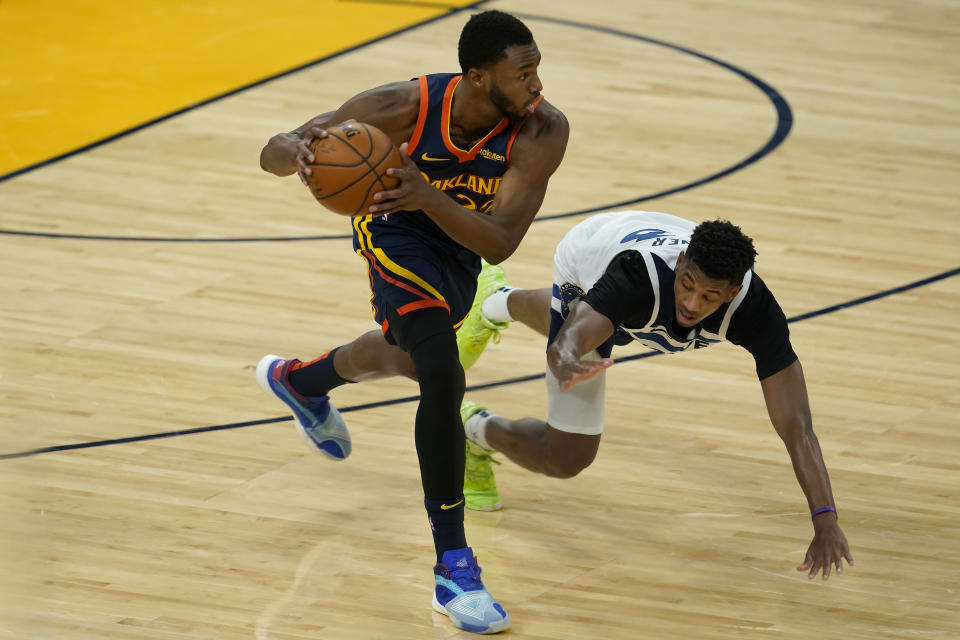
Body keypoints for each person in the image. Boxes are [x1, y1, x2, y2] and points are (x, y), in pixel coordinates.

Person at [255, 9, 568, 634]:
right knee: (441, 374)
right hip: (393, 227)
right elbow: (274, 151)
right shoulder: (400, 106)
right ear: (478, 78)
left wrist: (430, 194)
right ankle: (454, 566)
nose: (538, 85)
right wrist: (296, 150)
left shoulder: (542, 130)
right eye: (524, 72)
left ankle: (302, 382)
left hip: (461, 239)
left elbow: (501, 242)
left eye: (538, 69)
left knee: (406, 354)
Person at [457, 209, 855, 581]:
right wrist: (561, 357)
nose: (692, 303)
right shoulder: (634, 276)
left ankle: (493, 303)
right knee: (566, 457)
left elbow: (797, 427)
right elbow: (572, 337)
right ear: (681, 263)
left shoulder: (756, 309)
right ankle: (474, 421)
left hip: (647, 259)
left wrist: (825, 518)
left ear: (732, 292)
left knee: (625, 327)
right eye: (688, 285)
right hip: (591, 255)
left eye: (710, 297)